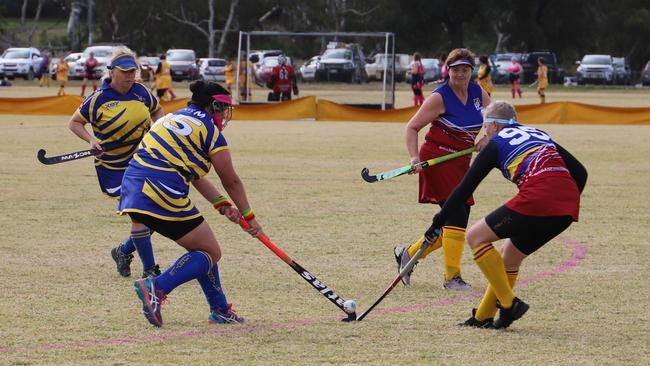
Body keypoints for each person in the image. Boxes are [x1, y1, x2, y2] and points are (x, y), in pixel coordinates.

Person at [423, 101, 587, 329]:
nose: (484, 131)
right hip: (566, 208)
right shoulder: (539, 134)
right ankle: (483, 316)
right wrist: (563, 198)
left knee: (476, 237)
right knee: (510, 256)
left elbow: (463, 189)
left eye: (485, 126)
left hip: (539, 198)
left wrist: (438, 221)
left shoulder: (497, 143)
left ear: (496, 125)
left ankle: (510, 304)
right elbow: (581, 172)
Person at [119, 80, 263, 327]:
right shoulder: (210, 131)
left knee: (204, 249)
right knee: (210, 252)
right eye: (223, 109)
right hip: (161, 187)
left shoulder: (172, 117)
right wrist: (249, 218)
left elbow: (195, 175)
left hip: (133, 183)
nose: (224, 115)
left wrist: (222, 205)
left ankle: (219, 309)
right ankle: (157, 287)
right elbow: (232, 181)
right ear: (214, 106)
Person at [394, 48, 491, 290]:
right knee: (457, 214)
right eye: (455, 69)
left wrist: (487, 136)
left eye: (465, 69)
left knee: (454, 221)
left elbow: (498, 118)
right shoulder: (439, 97)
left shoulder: (479, 92)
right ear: (448, 71)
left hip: (461, 163)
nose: (460, 74)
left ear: (472, 72)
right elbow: (412, 127)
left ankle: (409, 253)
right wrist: (413, 157)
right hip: (437, 160)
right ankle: (452, 278)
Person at [68, 47, 165, 278]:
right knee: (141, 215)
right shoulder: (98, 99)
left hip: (143, 163)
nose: (130, 76)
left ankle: (123, 251)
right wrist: (91, 140)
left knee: (158, 216)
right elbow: (75, 123)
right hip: (115, 168)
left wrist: (157, 131)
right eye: (125, 72)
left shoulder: (141, 92)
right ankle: (150, 270)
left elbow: (158, 110)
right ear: (112, 72)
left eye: (133, 71)